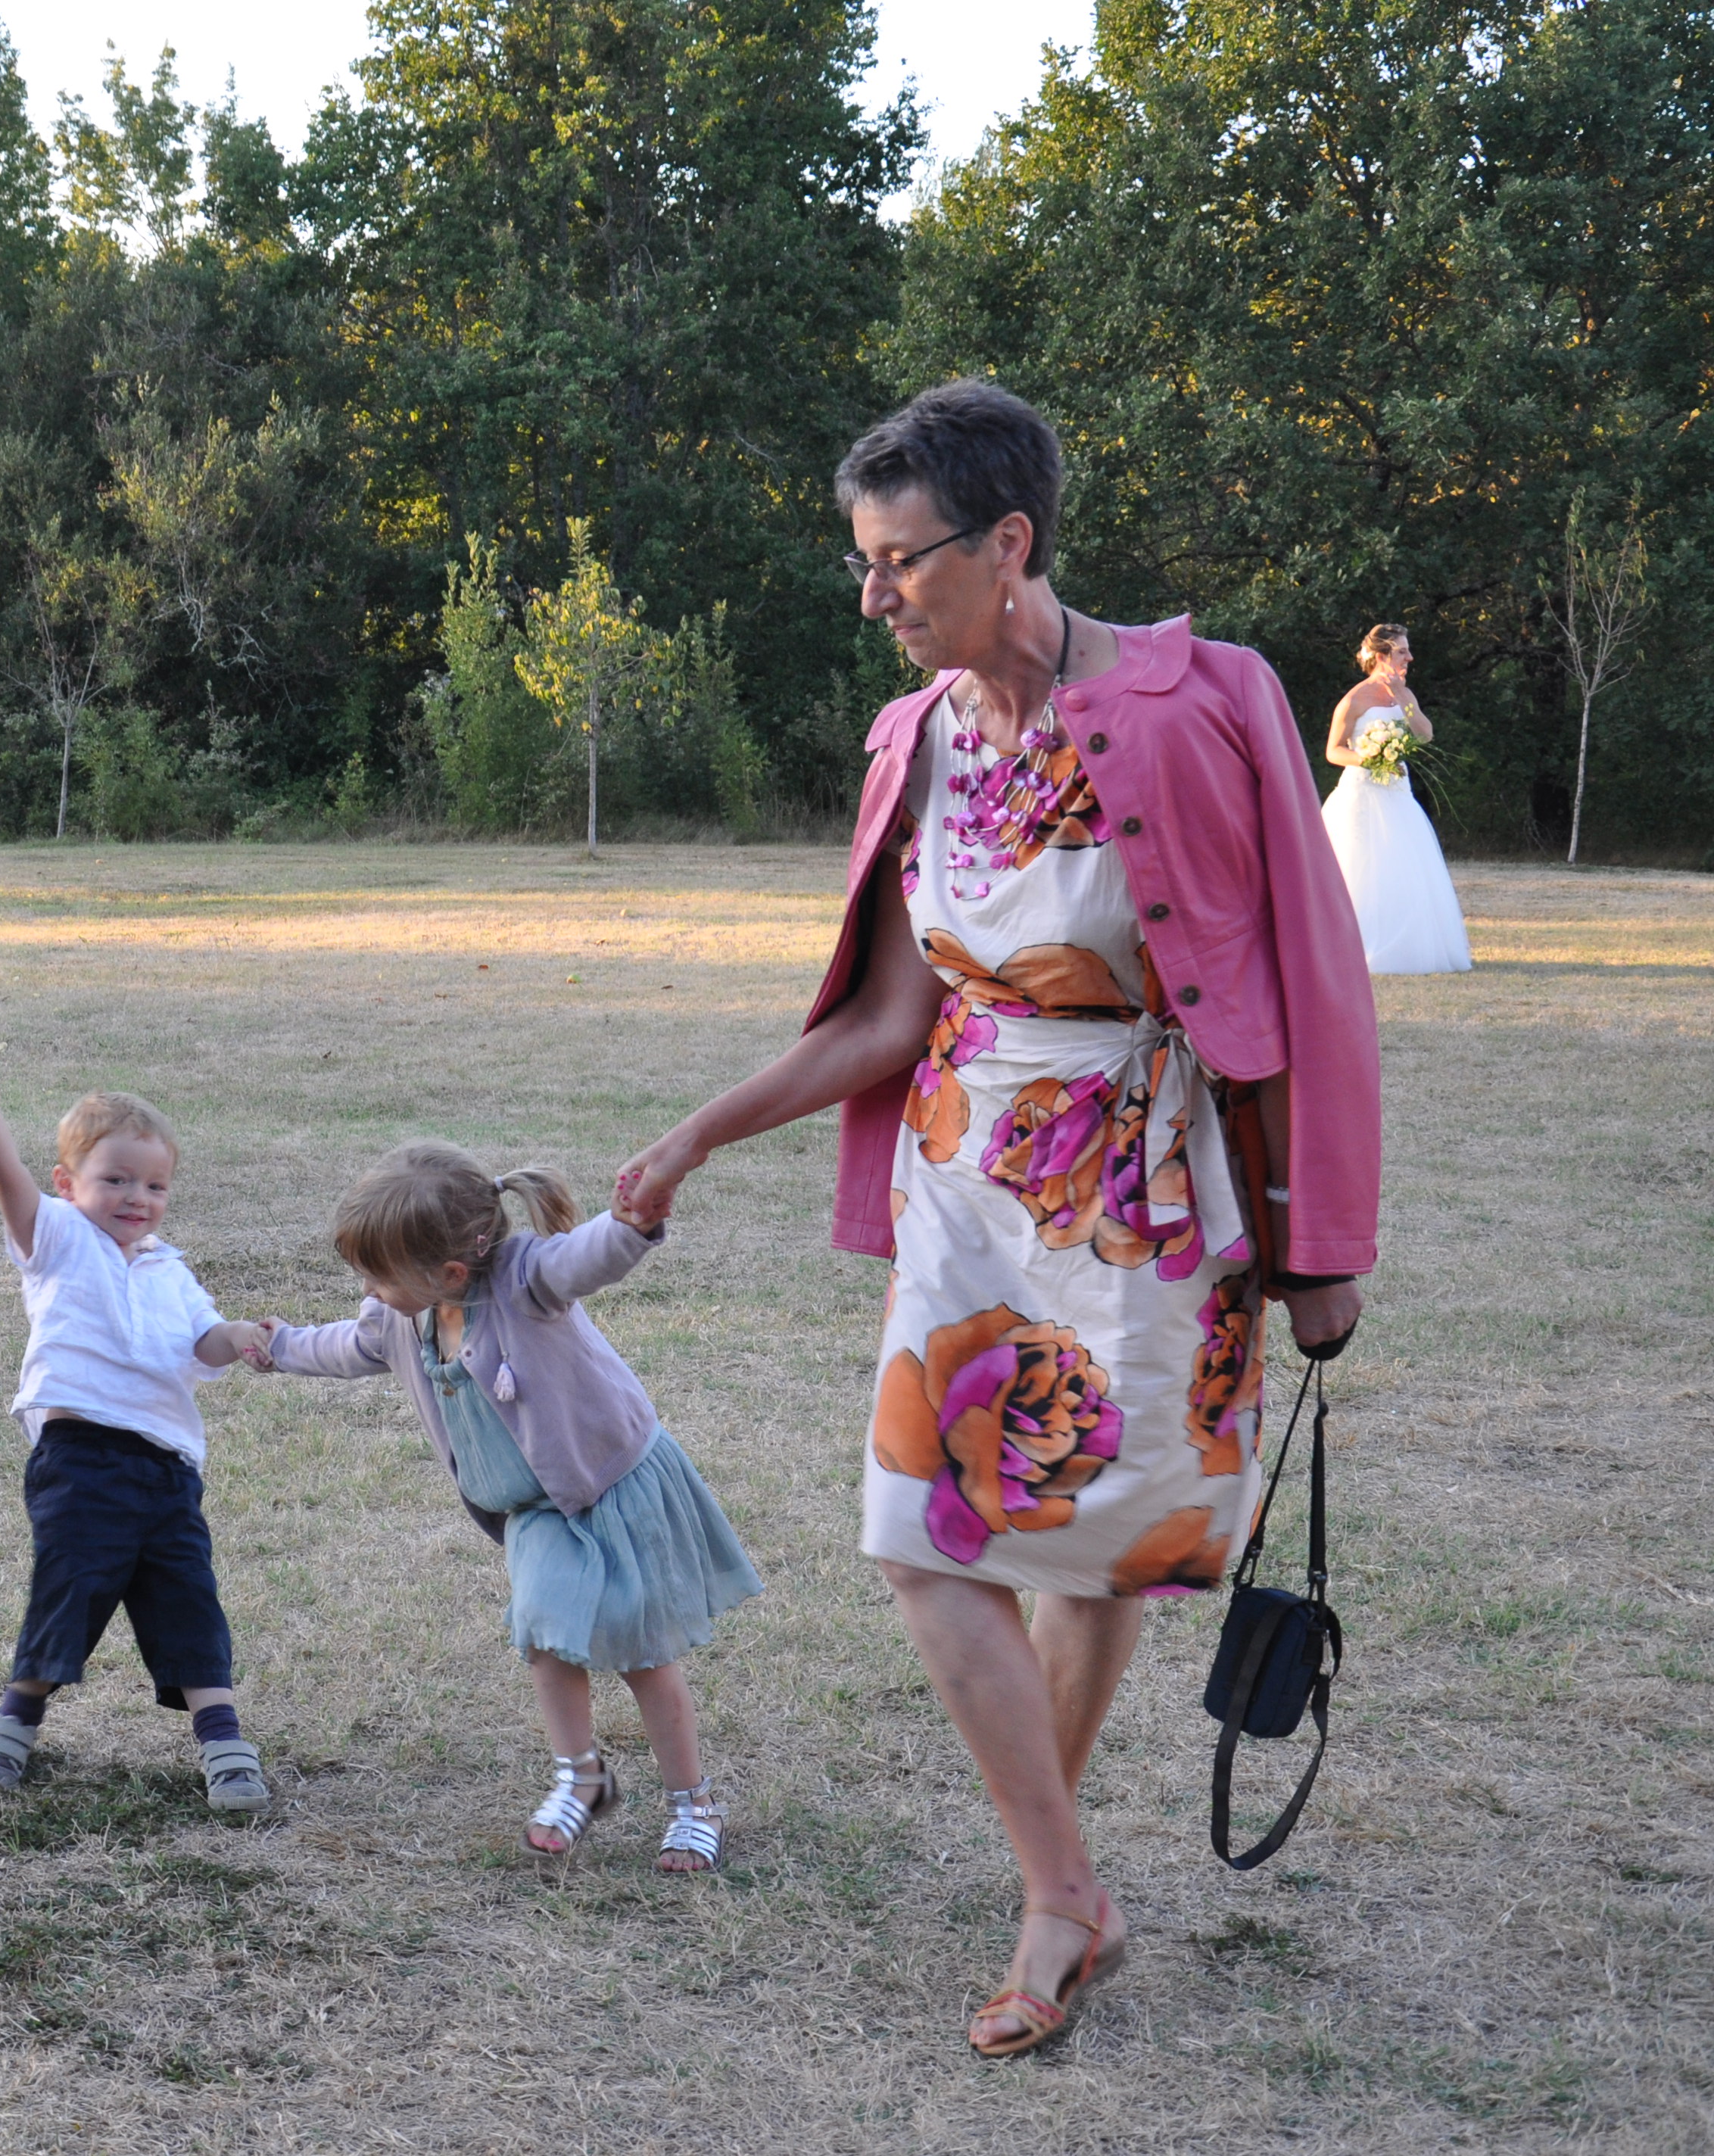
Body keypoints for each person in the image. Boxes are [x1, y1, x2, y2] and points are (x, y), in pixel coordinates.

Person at [615, 379, 1376, 2055]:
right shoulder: (918, 740)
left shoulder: (1209, 696)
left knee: (1097, 1546)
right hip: (964, 1175)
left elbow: (1312, 975)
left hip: (1152, 1181)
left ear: (1007, 542)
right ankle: (1066, 1882)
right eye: (862, 562)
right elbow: (885, 1017)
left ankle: (1049, 1893)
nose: (872, 595)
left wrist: (1318, 1242)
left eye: (898, 560)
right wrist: (696, 1133)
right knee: (921, 1533)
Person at [260, 1143, 757, 1869]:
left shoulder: (525, 1282)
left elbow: (584, 1258)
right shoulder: (401, 1317)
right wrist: (279, 1347)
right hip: (534, 1512)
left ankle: (694, 1803)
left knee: (644, 1655)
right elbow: (346, 1346)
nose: (366, 1288)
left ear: (450, 1274)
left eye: (377, 1274)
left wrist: (631, 1223)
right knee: (544, 1637)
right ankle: (582, 1778)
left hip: (611, 1487)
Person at [0, 1091, 279, 1815]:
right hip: (80, 1457)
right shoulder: (57, 1237)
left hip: (169, 1467)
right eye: (116, 1179)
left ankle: (224, 1742)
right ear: (67, 1183)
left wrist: (238, 1337)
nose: (138, 1198)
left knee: (189, 1597)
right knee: (73, 1585)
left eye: (155, 1185)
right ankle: (16, 1717)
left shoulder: (170, 1270)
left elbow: (204, 1340)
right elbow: (6, 1174)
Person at [1322, 625, 1474, 974]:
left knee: (1404, 868)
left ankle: (1407, 947)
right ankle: (1351, 948)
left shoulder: (1404, 694)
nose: (1410, 657)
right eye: (1402, 651)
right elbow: (1334, 751)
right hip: (1362, 793)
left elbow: (1425, 735)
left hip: (1398, 794)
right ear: (1381, 656)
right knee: (1360, 869)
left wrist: (1403, 698)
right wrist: (1370, 758)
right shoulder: (1355, 699)